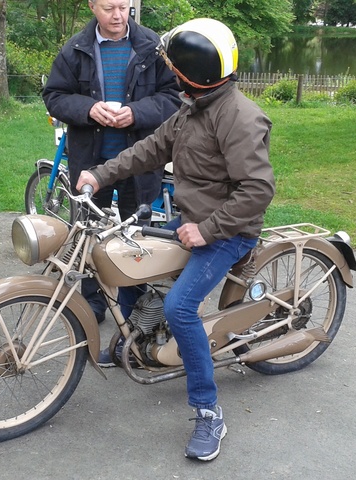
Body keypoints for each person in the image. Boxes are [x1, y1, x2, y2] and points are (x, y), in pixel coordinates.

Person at [76, 18, 275, 461]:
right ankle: (141, 339)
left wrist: (206, 230)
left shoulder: (239, 118)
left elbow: (257, 191)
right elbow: (148, 149)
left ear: (190, 71)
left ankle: (209, 412)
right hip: (192, 221)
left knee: (179, 307)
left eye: (173, 65)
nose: (168, 69)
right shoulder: (193, 109)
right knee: (123, 261)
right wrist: (98, 173)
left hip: (227, 233)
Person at [42, 0, 180, 332]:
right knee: (90, 233)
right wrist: (89, 109)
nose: (117, 15)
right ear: (92, 6)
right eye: (108, 8)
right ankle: (92, 303)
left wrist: (136, 113)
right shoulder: (75, 49)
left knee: (136, 236)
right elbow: (55, 96)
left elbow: (173, 96)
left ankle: (135, 304)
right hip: (92, 162)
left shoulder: (152, 46)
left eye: (123, 7)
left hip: (140, 161)